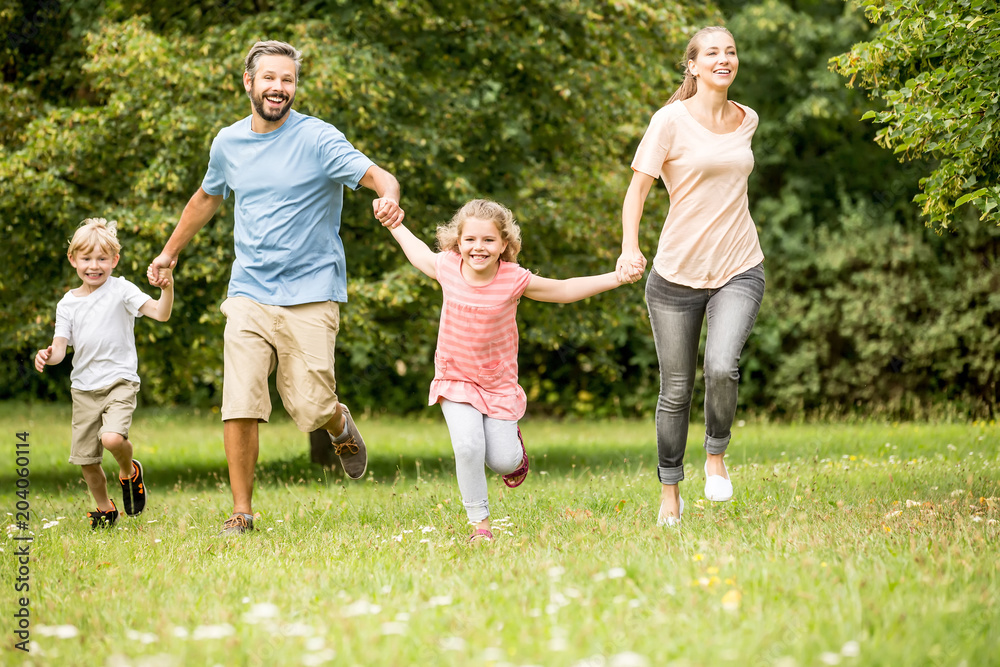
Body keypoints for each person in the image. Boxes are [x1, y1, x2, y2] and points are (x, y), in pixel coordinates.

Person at [147, 40, 405, 535]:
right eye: (269, 78)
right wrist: (169, 251)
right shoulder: (228, 143)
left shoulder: (318, 139)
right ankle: (242, 511)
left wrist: (388, 200)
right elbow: (206, 197)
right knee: (240, 398)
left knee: (310, 407)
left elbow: (379, 177)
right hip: (248, 291)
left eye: (287, 80)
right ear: (248, 82)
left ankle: (336, 422)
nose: (278, 88)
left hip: (311, 291)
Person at [384, 199, 627, 542]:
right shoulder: (448, 267)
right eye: (470, 240)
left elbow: (564, 289)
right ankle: (480, 525)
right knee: (467, 446)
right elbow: (418, 252)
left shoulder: (513, 278)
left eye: (488, 241)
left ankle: (516, 455)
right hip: (456, 377)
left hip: (497, 384)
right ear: (457, 241)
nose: (478, 248)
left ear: (504, 245)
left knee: (502, 462)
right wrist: (393, 223)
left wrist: (616, 277)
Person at [617, 26, 766, 526]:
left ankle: (717, 456)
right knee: (676, 389)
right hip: (676, 275)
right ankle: (669, 494)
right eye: (712, 53)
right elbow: (637, 191)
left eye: (730, 51)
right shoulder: (669, 121)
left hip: (739, 266)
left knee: (722, 366)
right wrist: (629, 248)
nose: (724, 59)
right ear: (693, 66)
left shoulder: (748, 119)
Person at [35, 218, 174, 528]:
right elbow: (60, 349)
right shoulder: (67, 304)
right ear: (73, 260)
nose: (94, 266)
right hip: (83, 389)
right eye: (86, 259)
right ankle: (105, 509)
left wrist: (168, 288)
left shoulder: (121, 289)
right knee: (87, 461)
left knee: (112, 439)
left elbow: (161, 314)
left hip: (120, 382)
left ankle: (129, 472)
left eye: (101, 259)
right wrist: (47, 354)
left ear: (115, 260)